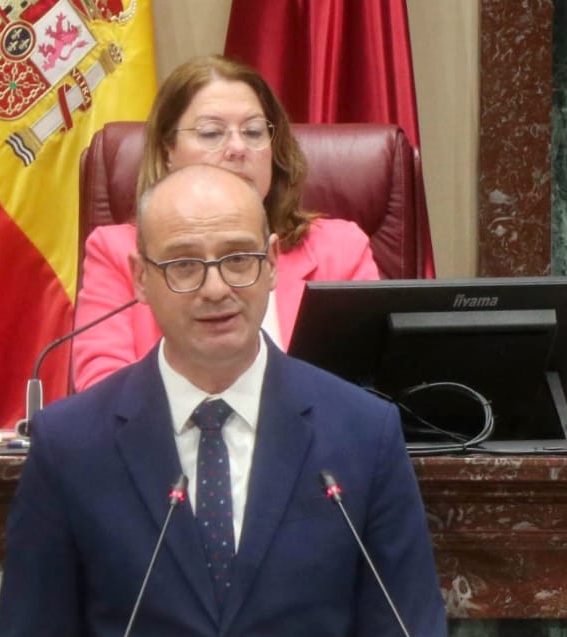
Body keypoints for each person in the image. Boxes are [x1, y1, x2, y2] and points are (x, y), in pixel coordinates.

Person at [0, 163, 455, 637]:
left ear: (273, 264)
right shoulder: (71, 442)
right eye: (184, 265)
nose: (216, 289)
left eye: (238, 260)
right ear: (140, 277)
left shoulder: (362, 431)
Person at [69, 54, 381, 392]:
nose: (237, 147)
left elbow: (369, 389)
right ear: (167, 151)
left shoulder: (340, 250)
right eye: (211, 133)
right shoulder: (118, 253)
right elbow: (102, 392)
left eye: (253, 131)